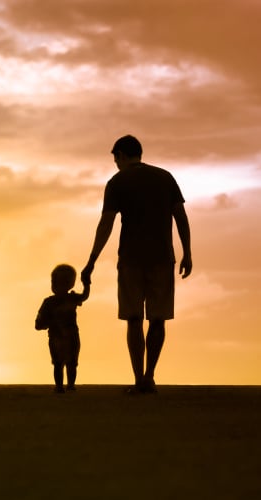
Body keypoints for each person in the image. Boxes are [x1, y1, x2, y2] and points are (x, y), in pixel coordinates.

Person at [81, 135, 192, 394]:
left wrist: (91, 261)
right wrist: (187, 252)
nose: (116, 164)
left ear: (120, 154)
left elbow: (106, 223)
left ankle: (138, 377)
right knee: (158, 319)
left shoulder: (117, 182)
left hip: (131, 259)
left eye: (115, 159)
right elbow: (181, 216)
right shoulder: (165, 178)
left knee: (133, 319)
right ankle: (150, 376)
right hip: (163, 258)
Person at [35, 264, 90, 393]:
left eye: (57, 282)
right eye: (53, 282)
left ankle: (69, 385)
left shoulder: (69, 298)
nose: (54, 285)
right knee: (59, 363)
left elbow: (84, 297)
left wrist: (87, 285)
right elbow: (39, 323)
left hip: (69, 337)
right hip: (58, 337)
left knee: (69, 363)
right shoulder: (51, 302)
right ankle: (61, 386)